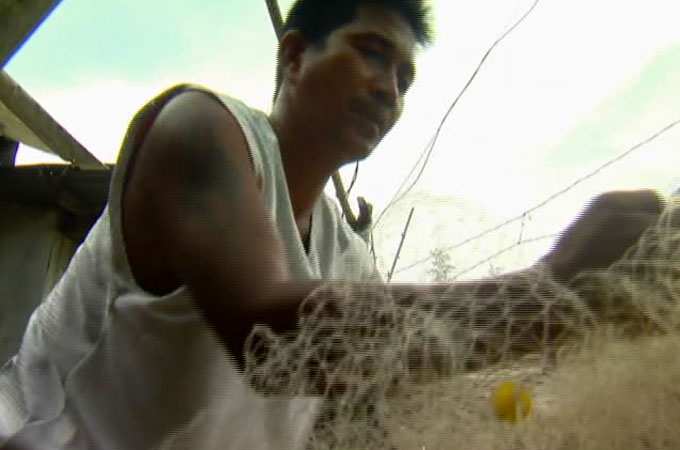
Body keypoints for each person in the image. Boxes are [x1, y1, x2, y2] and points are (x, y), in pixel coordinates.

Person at [0, 0, 665, 448]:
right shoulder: (201, 128)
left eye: (404, 78)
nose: (389, 90)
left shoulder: (346, 259)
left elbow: (357, 410)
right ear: (294, 57)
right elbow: (270, 339)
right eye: (372, 53)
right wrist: (552, 290)